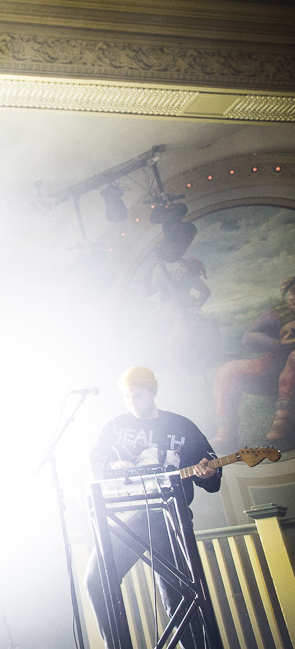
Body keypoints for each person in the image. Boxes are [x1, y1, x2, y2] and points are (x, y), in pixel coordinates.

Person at [84, 366, 220, 649]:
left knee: (180, 597)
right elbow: (95, 463)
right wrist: (113, 465)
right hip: (124, 517)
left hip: (169, 519)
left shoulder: (181, 426)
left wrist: (209, 473)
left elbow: (212, 475)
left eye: (137, 396)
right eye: (127, 397)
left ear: (153, 393)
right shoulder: (114, 427)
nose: (132, 402)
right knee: (97, 581)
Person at [211, 275, 295, 445]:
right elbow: (248, 337)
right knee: (227, 371)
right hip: (272, 366)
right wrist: (276, 343)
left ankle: (282, 421)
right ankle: (226, 430)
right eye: (293, 292)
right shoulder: (279, 314)